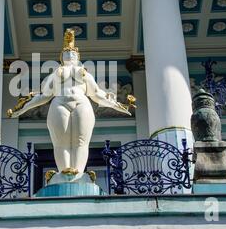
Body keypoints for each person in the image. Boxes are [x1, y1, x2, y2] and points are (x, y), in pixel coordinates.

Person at [8, 29, 134, 175]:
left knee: (81, 141)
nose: (70, 54)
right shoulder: (55, 73)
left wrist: (118, 105)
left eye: (73, 53)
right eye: (66, 53)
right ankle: (64, 171)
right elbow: (43, 95)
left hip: (82, 103)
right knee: (61, 142)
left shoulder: (85, 73)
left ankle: (79, 172)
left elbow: (97, 94)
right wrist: (21, 109)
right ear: (61, 57)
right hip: (59, 103)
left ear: (77, 57)